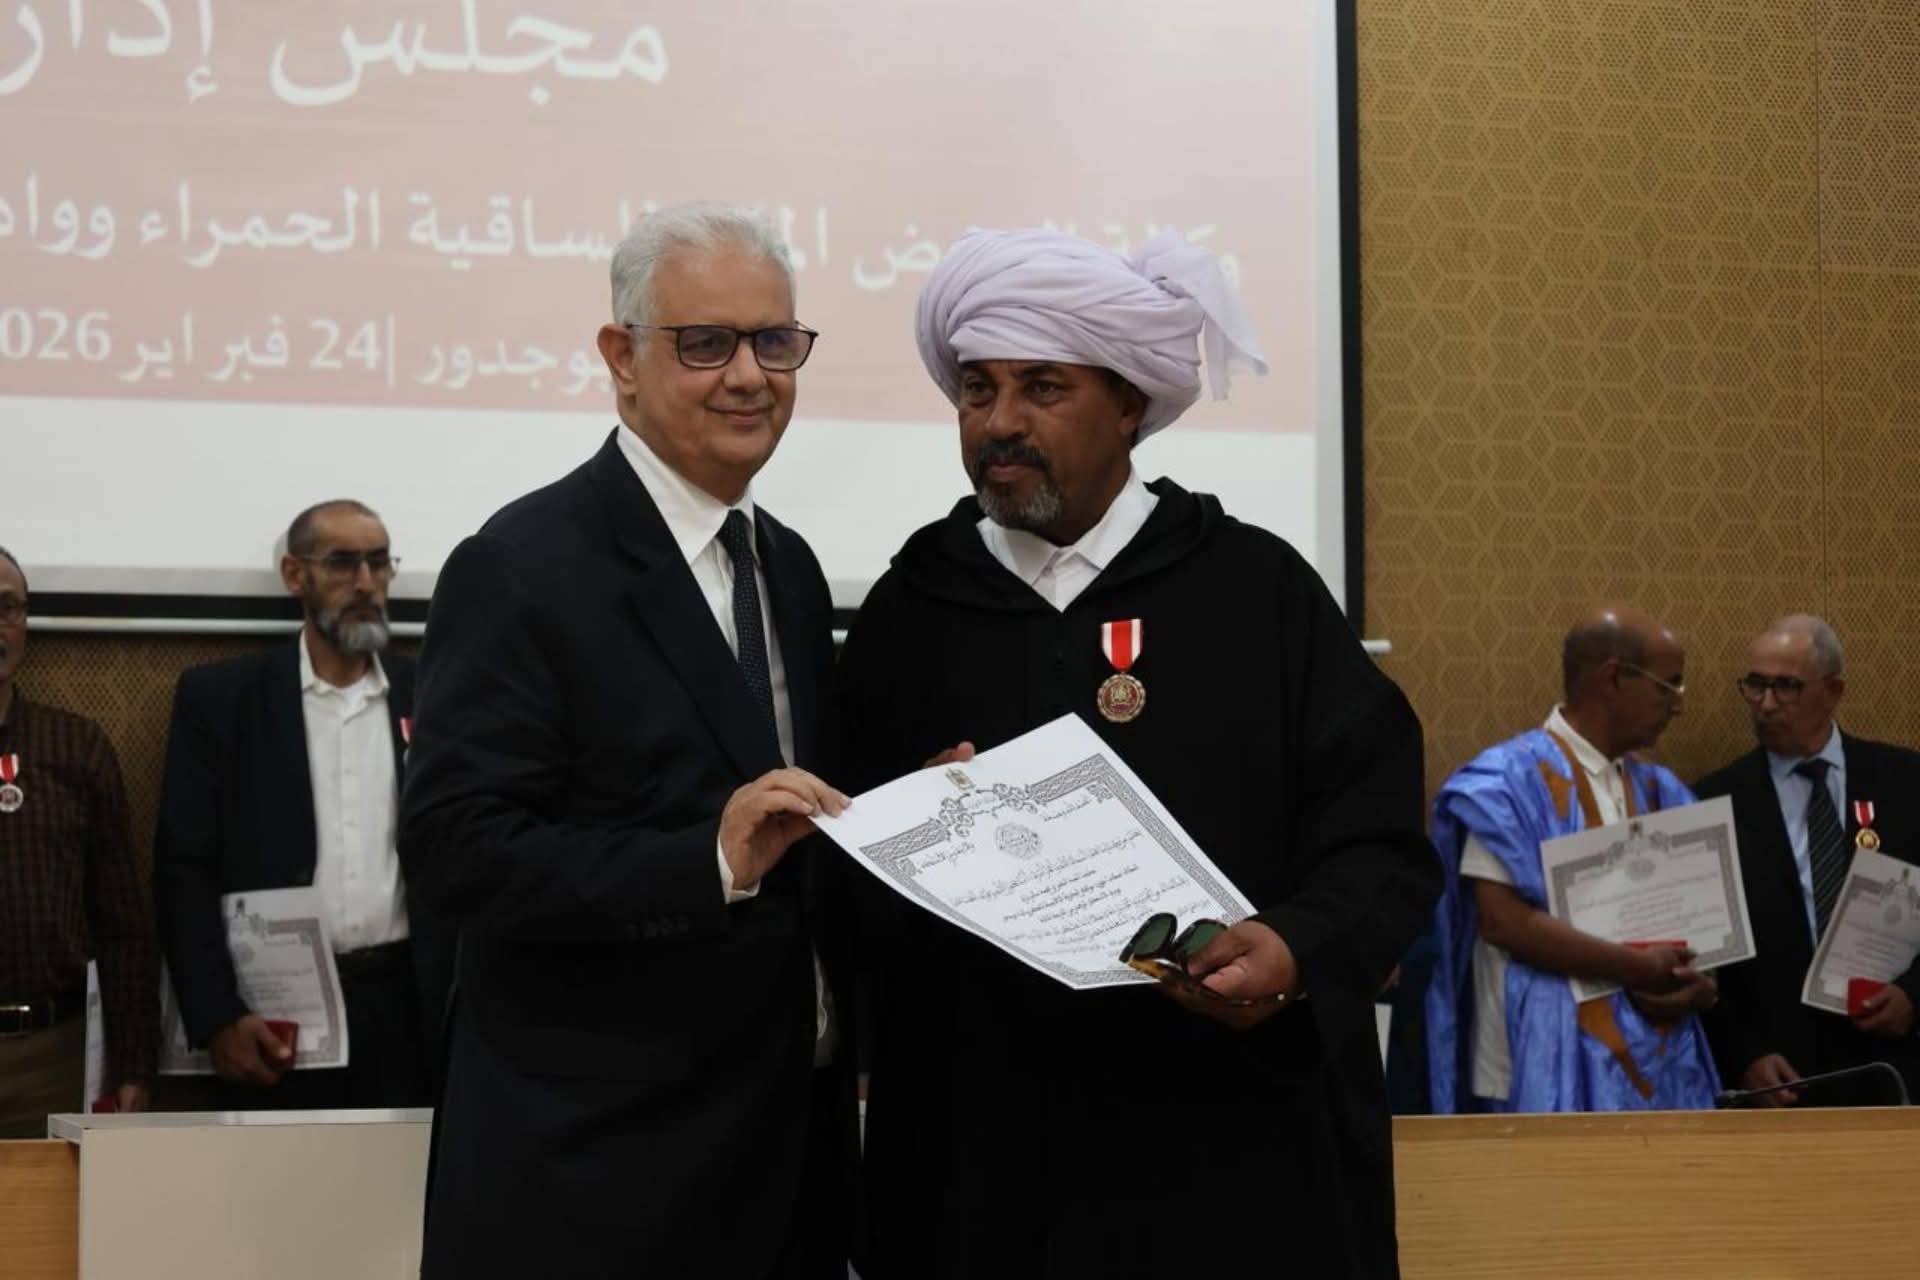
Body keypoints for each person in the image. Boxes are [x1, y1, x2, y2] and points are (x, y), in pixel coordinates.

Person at [834, 228, 1439, 1278]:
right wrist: (905, 834)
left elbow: (1377, 840)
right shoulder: (910, 611)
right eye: (977, 389)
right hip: (979, 1166)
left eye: (1042, 387)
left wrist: (1294, 948)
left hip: (1230, 1160)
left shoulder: (1258, 592)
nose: (1000, 422)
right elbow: (836, 889)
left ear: (1129, 402)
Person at [398, 202, 856, 1279]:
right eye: (705, 343)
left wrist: (914, 816)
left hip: (778, 1163)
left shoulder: (787, 566)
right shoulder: (521, 565)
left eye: (773, 341)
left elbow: (789, 826)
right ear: (621, 356)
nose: (748, 376)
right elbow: (458, 849)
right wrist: (705, 860)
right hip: (595, 1177)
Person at [154, 501, 439, 1110]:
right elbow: (183, 870)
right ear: (293, 575)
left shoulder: (434, 695)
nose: (365, 582)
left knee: (404, 1172)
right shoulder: (223, 701)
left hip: (407, 1010)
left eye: (379, 562)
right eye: (342, 563)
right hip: (272, 1010)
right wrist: (216, 1015)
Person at [1424, 607, 1720, 1114]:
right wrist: (1638, 968)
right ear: (1613, 679)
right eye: (1668, 686)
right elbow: (1502, 921)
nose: (1678, 706)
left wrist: (1699, 986)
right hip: (1537, 1061)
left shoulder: (1663, 791)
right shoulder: (1506, 782)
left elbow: (1705, 935)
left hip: (1654, 1064)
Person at [1696, 614, 1920, 1106]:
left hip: (1896, 1064)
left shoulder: (1908, 782)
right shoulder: (1713, 802)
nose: (1765, 704)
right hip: (1781, 1076)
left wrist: (1915, 995)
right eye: (1755, 685)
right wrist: (1743, 1053)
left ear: (1834, 691)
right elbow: (1702, 957)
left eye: (1786, 687)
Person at [0, 545, 157, 1136]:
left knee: (58, 1202)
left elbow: (121, 921)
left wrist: (135, 1062)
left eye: (7, 608)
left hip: (52, 1057)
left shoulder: (75, 747)